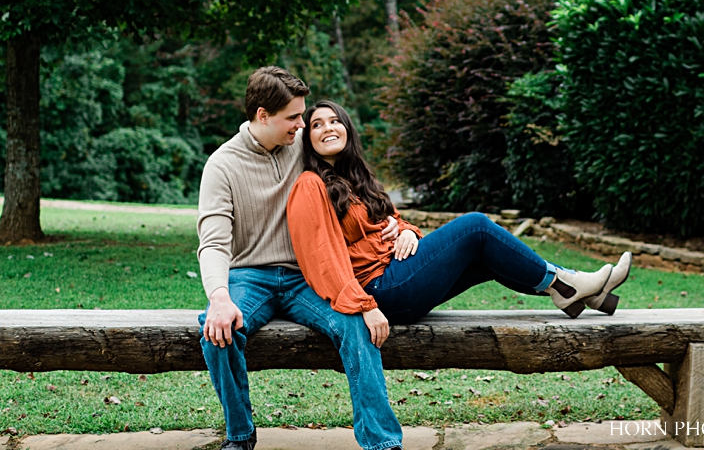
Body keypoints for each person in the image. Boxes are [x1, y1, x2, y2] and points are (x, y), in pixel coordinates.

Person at [286, 99, 632, 336]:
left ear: (347, 130)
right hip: (381, 291)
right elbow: (322, 260)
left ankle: (582, 293)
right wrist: (363, 307)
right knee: (476, 226)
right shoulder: (310, 186)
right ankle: (567, 284)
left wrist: (407, 232)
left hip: (396, 277)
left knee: (488, 256)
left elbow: (392, 221)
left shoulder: (358, 179)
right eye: (316, 124)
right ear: (309, 139)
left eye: (334, 121)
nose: (327, 128)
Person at [197, 68, 404, 450]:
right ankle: (240, 436)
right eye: (293, 117)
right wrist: (219, 298)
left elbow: (356, 184)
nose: (302, 124)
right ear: (263, 115)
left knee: (356, 325)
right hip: (249, 277)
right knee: (217, 332)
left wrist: (396, 223)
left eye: (302, 115)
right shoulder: (222, 165)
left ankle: (383, 443)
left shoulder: (303, 147)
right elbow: (213, 243)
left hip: (306, 278)